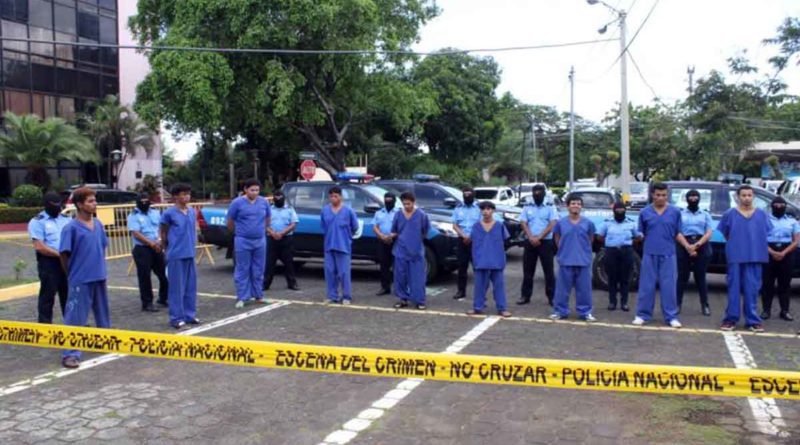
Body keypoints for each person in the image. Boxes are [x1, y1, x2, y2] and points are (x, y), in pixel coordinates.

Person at [59, 187, 109, 369]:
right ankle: (70, 354)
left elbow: (102, 246)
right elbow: (64, 254)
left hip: (99, 275)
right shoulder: (70, 228)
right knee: (75, 317)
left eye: (95, 200)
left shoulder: (98, 224)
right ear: (79, 204)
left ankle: (105, 341)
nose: (94, 204)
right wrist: (72, 275)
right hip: (80, 278)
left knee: (103, 313)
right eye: (90, 201)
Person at [717, 185, 771, 332]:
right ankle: (730, 319)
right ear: (738, 197)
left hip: (755, 256)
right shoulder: (730, 214)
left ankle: (753, 320)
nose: (746, 198)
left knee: (752, 290)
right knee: (733, 289)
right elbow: (725, 233)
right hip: (735, 256)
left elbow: (766, 232)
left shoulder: (762, 214)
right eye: (743, 195)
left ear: (753, 197)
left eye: (749, 195)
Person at [634, 183, 683, 328]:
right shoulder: (645, 212)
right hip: (649, 253)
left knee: (669, 286)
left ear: (667, 195)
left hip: (668, 254)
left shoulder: (675, 212)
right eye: (658, 195)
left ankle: (671, 316)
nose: (660, 198)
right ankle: (642, 315)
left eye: (663, 195)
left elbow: (678, 233)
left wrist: (688, 246)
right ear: (652, 195)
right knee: (646, 285)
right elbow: (640, 233)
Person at [550, 195, 596, 321]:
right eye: (573, 203)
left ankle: (585, 312)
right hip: (566, 260)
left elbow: (590, 239)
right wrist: (565, 250)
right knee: (562, 289)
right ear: (568, 206)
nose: (576, 206)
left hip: (583, 261)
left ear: (581, 206)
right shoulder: (561, 223)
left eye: (578, 204)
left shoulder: (588, 223)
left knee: (584, 290)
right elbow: (557, 238)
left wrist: (583, 251)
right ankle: (560, 311)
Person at [160, 183, 199, 329]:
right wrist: (165, 248)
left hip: (190, 253)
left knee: (190, 286)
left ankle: (190, 315)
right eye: (183, 194)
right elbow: (163, 231)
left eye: (188, 193)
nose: (186, 197)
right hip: (176, 254)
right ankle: (176, 317)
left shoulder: (191, 211)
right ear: (175, 196)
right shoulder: (169, 213)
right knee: (177, 287)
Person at [227, 179, 271, 308]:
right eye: (252, 190)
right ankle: (242, 297)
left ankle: (258, 295)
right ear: (245, 190)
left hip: (260, 240)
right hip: (242, 240)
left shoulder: (264, 202)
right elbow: (230, 221)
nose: (255, 193)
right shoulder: (237, 203)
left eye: (257, 190)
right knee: (242, 268)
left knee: (259, 268)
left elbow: (268, 218)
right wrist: (239, 233)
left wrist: (263, 230)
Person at [28, 192, 70, 324]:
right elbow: (39, 246)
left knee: (68, 294)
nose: (57, 208)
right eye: (54, 205)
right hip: (49, 262)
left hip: (67, 261)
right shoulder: (37, 222)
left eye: (59, 205)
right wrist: (59, 254)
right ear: (46, 205)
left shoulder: (66, 219)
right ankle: (45, 325)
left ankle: (71, 322)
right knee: (48, 295)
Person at [467, 201, 511, 317]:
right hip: (481, 260)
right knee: (479, 286)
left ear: (493, 211)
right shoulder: (476, 226)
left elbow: (506, 241)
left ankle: (502, 308)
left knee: (499, 286)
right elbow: (472, 241)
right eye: (483, 209)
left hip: (496, 260)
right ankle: (477, 307)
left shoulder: (500, 225)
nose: (486, 211)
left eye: (488, 209)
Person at [127, 192, 168, 313]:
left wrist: (160, 241)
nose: (144, 204)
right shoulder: (133, 215)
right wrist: (151, 243)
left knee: (164, 273)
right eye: (142, 202)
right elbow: (136, 233)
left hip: (157, 246)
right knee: (144, 277)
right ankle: (147, 303)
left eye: (146, 201)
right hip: (142, 249)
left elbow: (160, 228)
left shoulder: (155, 212)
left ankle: (163, 298)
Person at [675, 190, 713, 316]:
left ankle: (705, 305)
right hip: (683, 244)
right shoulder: (680, 214)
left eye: (695, 197)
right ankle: (677, 304)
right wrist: (687, 246)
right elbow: (677, 232)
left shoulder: (705, 214)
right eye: (690, 197)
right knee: (682, 276)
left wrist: (696, 245)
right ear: (686, 199)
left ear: (699, 199)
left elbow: (708, 232)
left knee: (700, 277)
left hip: (701, 244)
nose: (693, 199)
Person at [597, 202, 641, 312]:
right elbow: (599, 236)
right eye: (618, 209)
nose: (620, 211)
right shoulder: (607, 223)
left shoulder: (631, 223)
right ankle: (612, 302)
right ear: (614, 211)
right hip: (611, 252)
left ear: (625, 210)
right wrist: (609, 243)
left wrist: (630, 242)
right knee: (612, 278)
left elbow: (639, 236)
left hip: (626, 251)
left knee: (625, 279)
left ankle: (624, 303)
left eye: (622, 209)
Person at [518, 184, 558, 306]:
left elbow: (552, 224)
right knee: (528, 271)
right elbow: (523, 222)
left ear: (544, 193)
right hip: (530, 241)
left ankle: (552, 297)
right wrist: (531, 237)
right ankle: (525, 296)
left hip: (545, 242)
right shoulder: (527, 206)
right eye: (535, 191)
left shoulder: (550, 206)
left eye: (540, 191)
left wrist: (539, 237)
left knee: (549, 271)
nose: (537, 194)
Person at [390, 192, 430, 310]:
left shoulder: (421, 215)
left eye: (409, 204)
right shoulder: (398, 214)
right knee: (400, 276)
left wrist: (416, 241)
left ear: (413, 202)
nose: (407, 206)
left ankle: (419, 300)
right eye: (404, 204)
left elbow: (425, 230)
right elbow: (395, 230)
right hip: (401, 250)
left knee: (418, 277)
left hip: (416, 251)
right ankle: (402, 299)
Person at [761, 196, 798, 321]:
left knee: (785, 284)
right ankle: (766, 310)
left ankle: (785, 311)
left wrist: (783, 253)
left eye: (782, 205)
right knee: (767, 284)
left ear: (785, 207)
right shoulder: (764, 220)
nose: (779, 207)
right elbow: (760, 239)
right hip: (768, 252)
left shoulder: (792, 221)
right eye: (776, 205)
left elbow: (796, 241)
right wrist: (772, 252)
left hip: (787, 253)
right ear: (771, 206)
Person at [321, 186, 359, 304]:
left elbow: (355, 227)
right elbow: (323, 226)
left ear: (341, 197)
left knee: (344, 273)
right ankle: (332, 296)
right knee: (330, 271)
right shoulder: (325, 210)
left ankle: (346, 296)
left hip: (343, 246)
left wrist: (346, 237)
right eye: (331, 196)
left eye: (336, 196)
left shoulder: (348, 211)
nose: (333, 198)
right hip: (329, 245)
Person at [264, 190, 300, 291]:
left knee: (289, 263)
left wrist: (282, 233)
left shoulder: (290, 209)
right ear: (274, 199)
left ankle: (292, 284)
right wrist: (272, 233)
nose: (278, 200)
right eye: (276, 198)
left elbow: (294, 224)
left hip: (286, 239)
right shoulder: (269, 209)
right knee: (269, 263)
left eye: (280, 198)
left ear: (284, 199)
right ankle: (265, 284)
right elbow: (264, 224)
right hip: (271, 238)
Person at [451, 187, 480, 300]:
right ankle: (461, 291)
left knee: (477, 268)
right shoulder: (458, 208)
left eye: (469, 194)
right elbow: (454, 225)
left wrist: (471, 236)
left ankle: (479, 292)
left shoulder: (478, 208)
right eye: (465, 194)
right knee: (462, 267)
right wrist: (464, 236)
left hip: (475, 241)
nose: (467, 196)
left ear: (473, 195)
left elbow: (481, 224)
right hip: (462, 241)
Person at [373, 192, 399, 296]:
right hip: (382, 241)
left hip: (395, 241)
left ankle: (398, 288)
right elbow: (375, 226)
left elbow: (401, 227)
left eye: (390, 200)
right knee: (384, 265)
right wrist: (382, 236)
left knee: (397, 265)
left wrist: (391, 236)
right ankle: (385, 287)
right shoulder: (379, 213)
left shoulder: (398, 213)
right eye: (386, 200)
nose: (388, 202)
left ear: (394, 201)